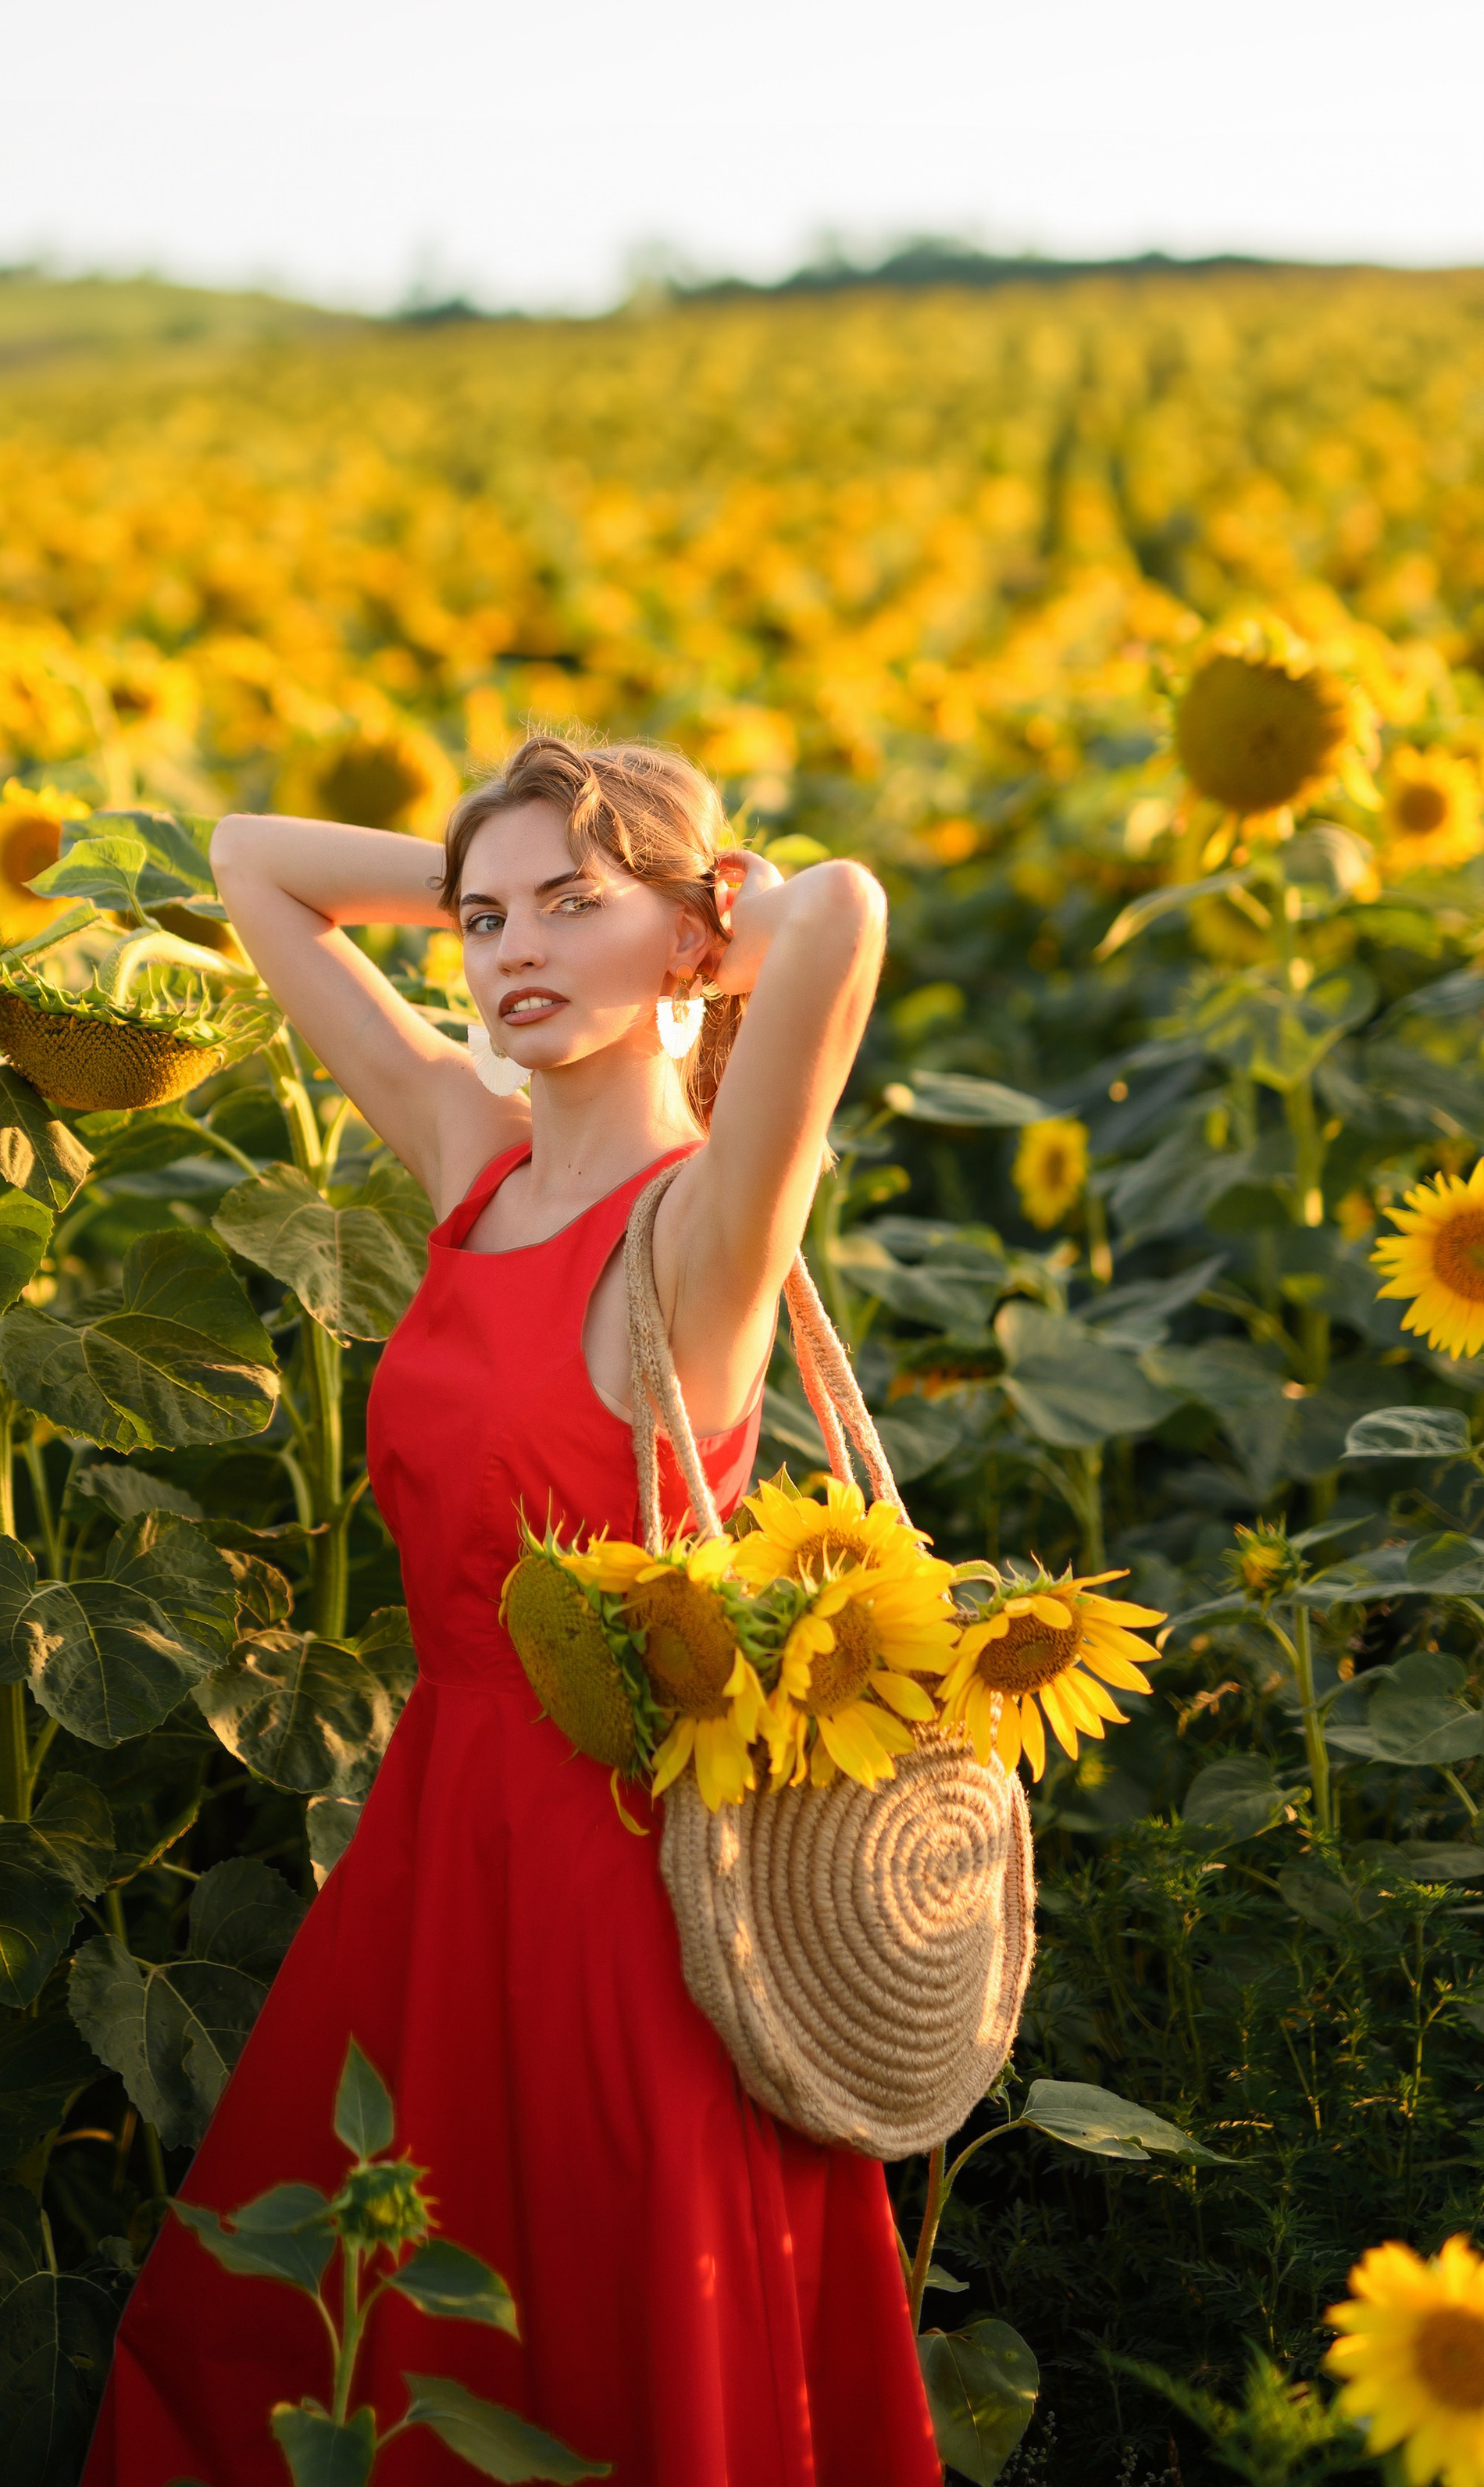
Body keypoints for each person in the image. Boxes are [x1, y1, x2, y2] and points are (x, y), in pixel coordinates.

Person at [82, 732, 940, 2487]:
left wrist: (713, 909)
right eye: (479, 923)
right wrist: (519, 866)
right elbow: (254, 861)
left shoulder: (700, 1225)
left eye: (569, 905)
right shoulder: (469, 1159)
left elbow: (842, 911)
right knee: (315, 2326)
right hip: (428, 1847)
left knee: (601, 2324)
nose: (508, 953)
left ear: (690, 939)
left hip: (629, 1881)